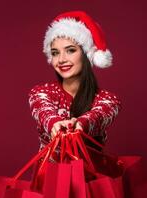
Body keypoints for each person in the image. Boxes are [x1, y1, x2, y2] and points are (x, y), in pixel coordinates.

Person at [28, 10, 122, 157]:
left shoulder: (108, 100)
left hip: (91, 179)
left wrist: (80, 124)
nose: (61, 59)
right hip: (50, 177)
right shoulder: (41, 93)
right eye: (55, 53)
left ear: (87, 54)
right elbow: (43, 111)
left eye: (70, 50)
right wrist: (55, 123)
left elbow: (98, 115)